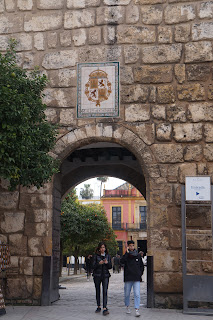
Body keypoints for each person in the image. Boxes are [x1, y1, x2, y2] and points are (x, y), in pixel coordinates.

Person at [120, 240, 144, 317]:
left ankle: (137, 309)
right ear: (128, 246)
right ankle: (127, 306)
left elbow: (141, 266)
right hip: (128, 277)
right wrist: (126, 253)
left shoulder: (138, 255)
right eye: (130, 246)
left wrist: (139, 274)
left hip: (136, 277)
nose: (131, 247)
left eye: (132, 245)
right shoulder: (126, 255)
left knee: (137, 293)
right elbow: (122, 261)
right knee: (127, 294)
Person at [92, 242, 112, 316]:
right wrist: (98, 264)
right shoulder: (95, 256)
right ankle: (98, 306)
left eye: (104, 247)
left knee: (105, 291)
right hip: (97, 275)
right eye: (101, 247)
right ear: (99, 249)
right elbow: (93, 266)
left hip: (105, 275)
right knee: (98, 290)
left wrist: (107, 263)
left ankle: (104, 307)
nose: (102, 249)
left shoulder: (108, 256)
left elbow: (110, 266)